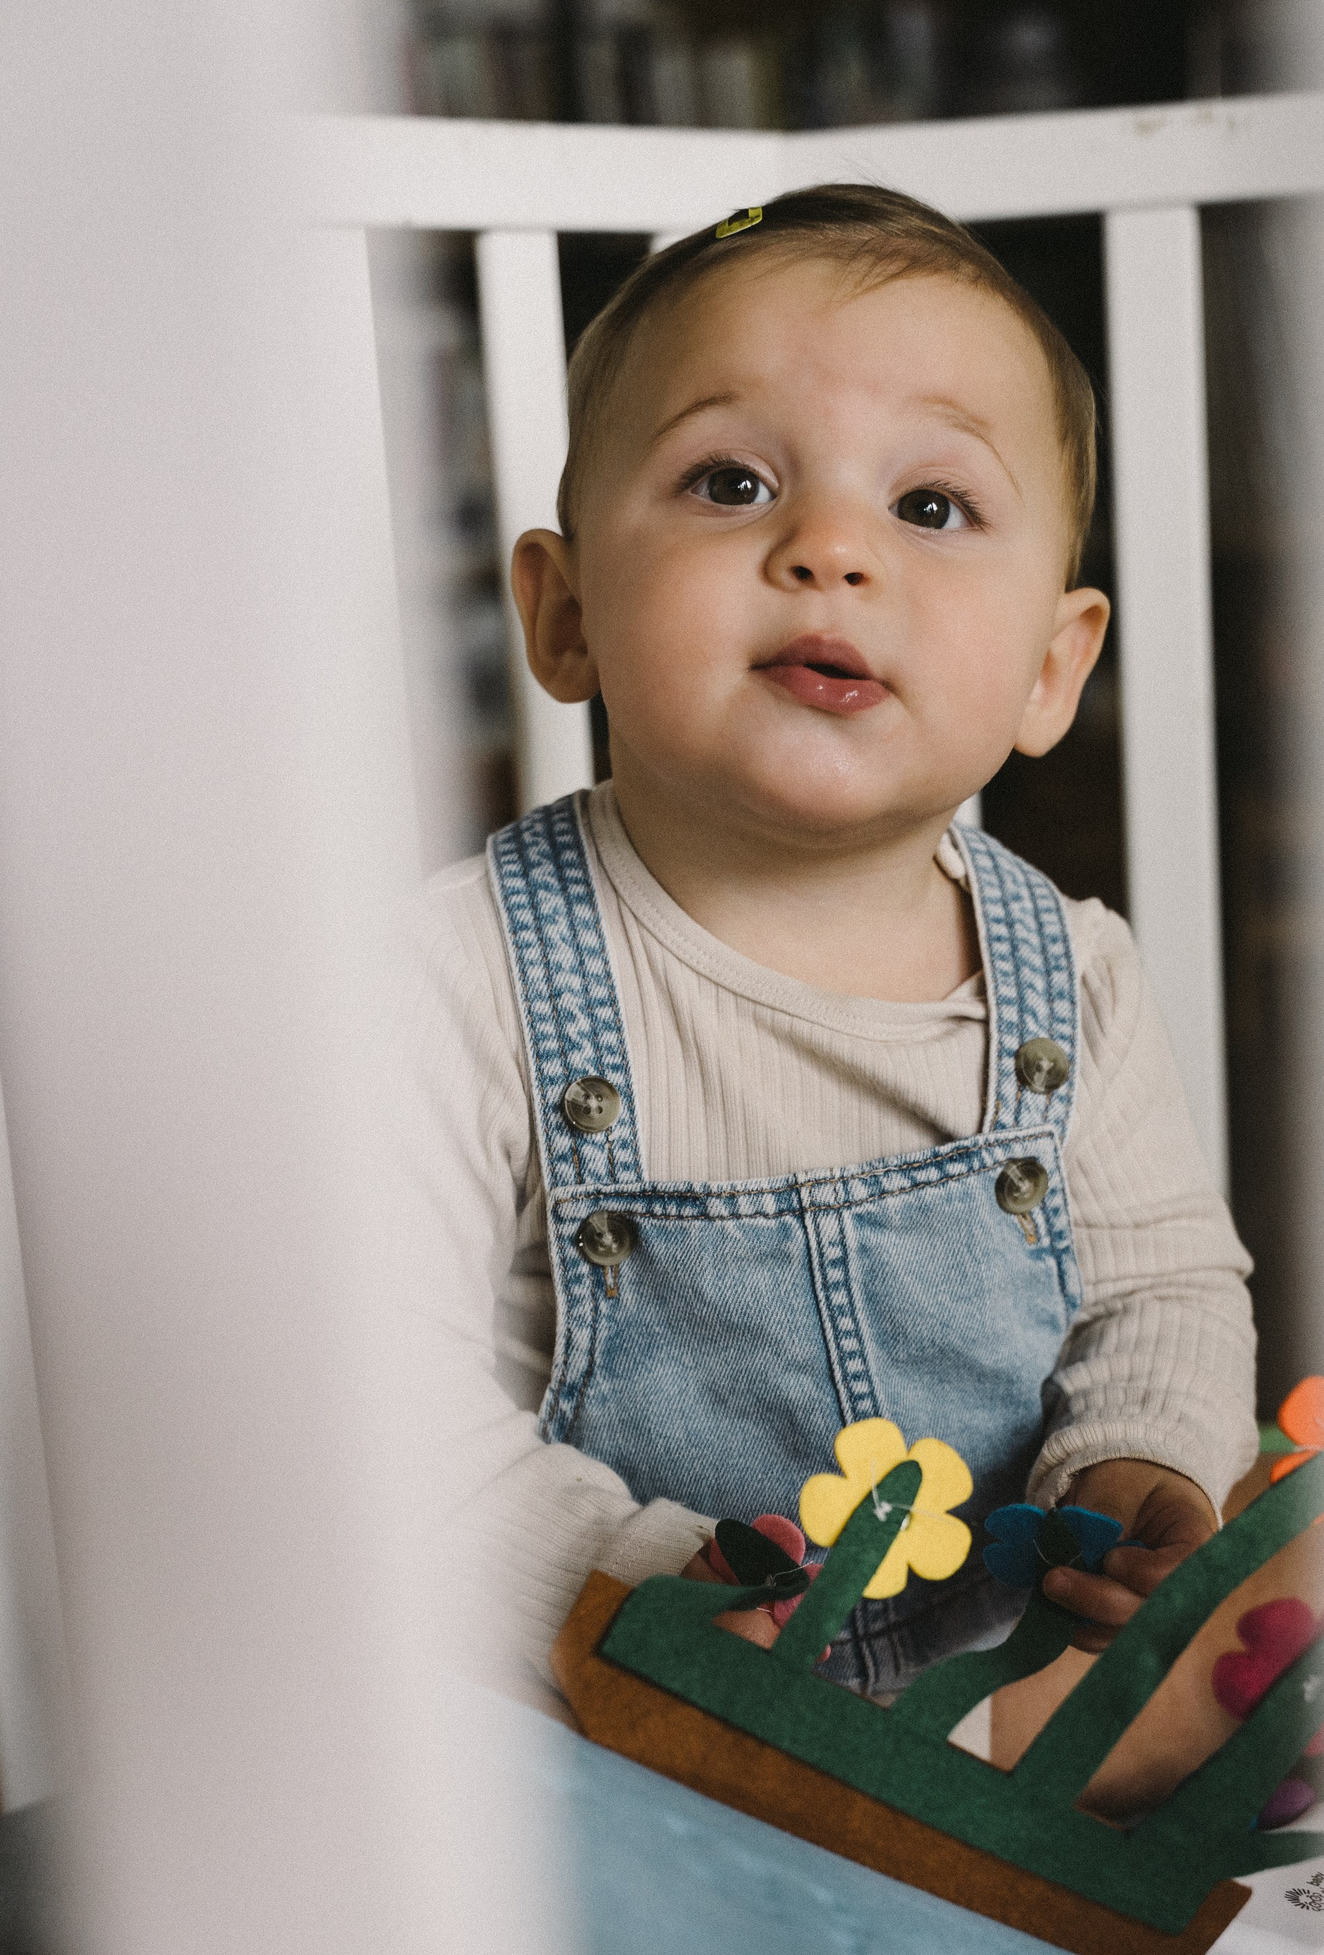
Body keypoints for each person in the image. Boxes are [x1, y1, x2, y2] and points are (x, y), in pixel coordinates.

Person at [402, 183, 1257, 1726]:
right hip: (598, 1724)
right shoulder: (462, 978)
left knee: (1224, 1684)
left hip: (973, 1725)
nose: (831, 549)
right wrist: (626, 1594)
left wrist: (1143, 1461)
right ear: (566, 612)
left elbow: (1163, 1291)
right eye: (731, 482)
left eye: (930, 506)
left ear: (1050, 668)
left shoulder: (1068, 980)